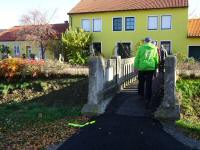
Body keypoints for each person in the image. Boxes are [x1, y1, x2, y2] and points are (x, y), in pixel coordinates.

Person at [134, 37, 159, 108]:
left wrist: (135, 67)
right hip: (151, 68)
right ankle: (148, 98)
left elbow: (137, 58)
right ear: (150, 42)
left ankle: (141, 95)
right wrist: (156, 68)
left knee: (141, 82)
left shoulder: (140, 48)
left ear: (145, 41)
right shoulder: (154, 48)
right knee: (149, 83)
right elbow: (156, 59)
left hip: (142, 68)